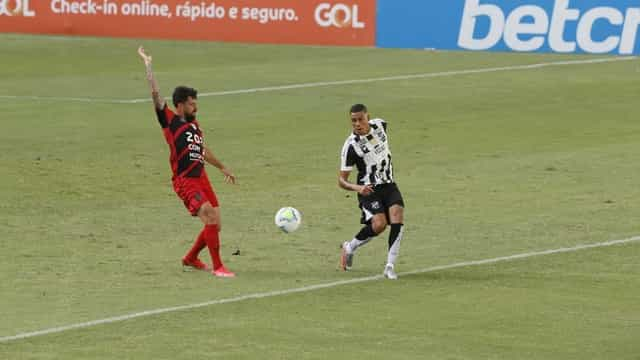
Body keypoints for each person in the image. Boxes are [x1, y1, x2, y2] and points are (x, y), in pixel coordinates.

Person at [137, 46, 236, 278]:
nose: (196, 107)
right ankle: (219, 267)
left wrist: (222, 166)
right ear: (180, 104)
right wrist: (148, 66)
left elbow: (202, 150)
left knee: (216, 223)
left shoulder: (195, 126)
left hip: (201, 178)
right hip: (185, 180)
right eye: (192, 103)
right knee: (210, 217)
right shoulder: (170, 121)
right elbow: (155, 97)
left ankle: (190, 258)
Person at [338, 104, 405, 280]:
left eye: (361, 119)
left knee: (398, 214)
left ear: (368, 117)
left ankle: (389, 266)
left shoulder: (380, 125)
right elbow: (341, 180)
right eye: (354, 121)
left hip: (389, 184)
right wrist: (358, 188)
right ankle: (350, 247)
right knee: (379, 225)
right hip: (369, 190)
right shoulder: (351, 146)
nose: (357, 124)